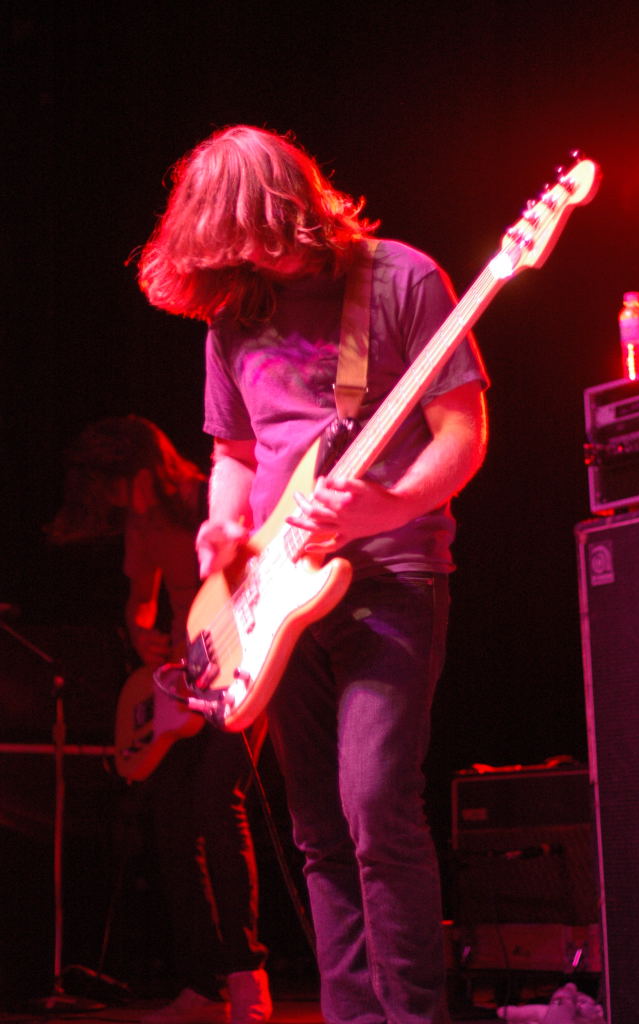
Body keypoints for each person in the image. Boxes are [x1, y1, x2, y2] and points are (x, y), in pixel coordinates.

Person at [137, 124, 489, 1024]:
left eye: (239, 237)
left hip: (392, 573)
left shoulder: (402, 279)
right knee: (319, 830)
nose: (233, 261)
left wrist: (387, 504)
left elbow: (462, 433)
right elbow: (234, 452)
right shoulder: (234, 312)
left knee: (376, 806)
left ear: (279, 209)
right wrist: (222, 526)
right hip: (275, 594)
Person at [48, 415, 272, 1024]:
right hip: (183, 685)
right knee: (173, 826)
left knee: (219, 805)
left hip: (246, 668)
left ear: (146, 470)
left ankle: (247, 973)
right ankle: (203, 982)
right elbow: (140, 601)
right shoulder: (140, 527)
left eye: (122, 486)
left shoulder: (209, 499)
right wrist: (140, 633)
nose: (125, 503)